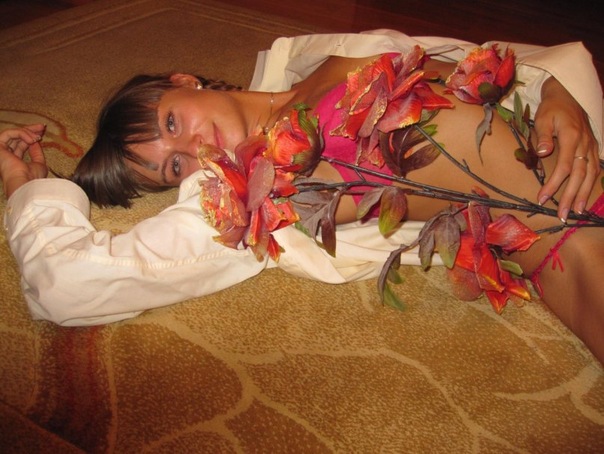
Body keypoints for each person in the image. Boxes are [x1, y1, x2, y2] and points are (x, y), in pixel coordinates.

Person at [1, 31, 602, 360]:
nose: (196, 146)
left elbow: (478, 62)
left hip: (578, 159)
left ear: (183, 81)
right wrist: (26, 188)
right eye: (175, 166)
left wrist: (558, 93)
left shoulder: (316, 56)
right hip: (567, 238)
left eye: (171, 122)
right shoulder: (248, 191)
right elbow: (67, 284)